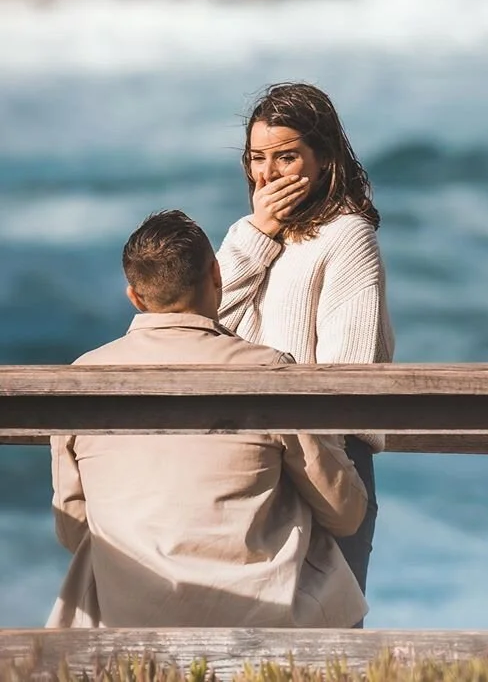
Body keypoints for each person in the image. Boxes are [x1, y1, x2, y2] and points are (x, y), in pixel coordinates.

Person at [47, 210, 368, 629]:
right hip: (262, 622)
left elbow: (72, 528)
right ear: (217, 274)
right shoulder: (268, 372)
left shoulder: (80, 379)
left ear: (135, 297)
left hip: (129, 620)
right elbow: (344, 512)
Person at [217, 82, 394, 599]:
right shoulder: (249, 234)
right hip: (251, 463)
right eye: (257, 159)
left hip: (327, 465)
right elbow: (200, 325)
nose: (267, 174)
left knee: (329, 633)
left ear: (323, 159)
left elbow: (351, 374)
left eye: (286, 157)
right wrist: (259, 230)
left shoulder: (348, 235)